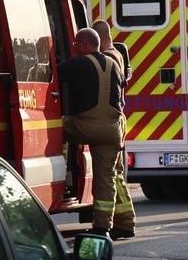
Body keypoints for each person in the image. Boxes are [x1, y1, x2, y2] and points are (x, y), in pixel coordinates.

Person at [58, 28, 130, 238]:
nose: (75, 48)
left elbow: (50, 75)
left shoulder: (77, 63)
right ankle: (103, 228)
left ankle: (63, 174)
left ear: (84, 44)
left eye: (76, 44)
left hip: (84, 127)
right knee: (106, 178)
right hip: (113, 130)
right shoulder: (114, 64)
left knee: (54, 127)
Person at [91, 19, 136, 240]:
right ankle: (126, 221)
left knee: (110, 174)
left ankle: (115, 223)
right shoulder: (117, 54)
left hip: (112, 119)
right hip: (118, 119)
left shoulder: (108, 58)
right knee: (116, 174)